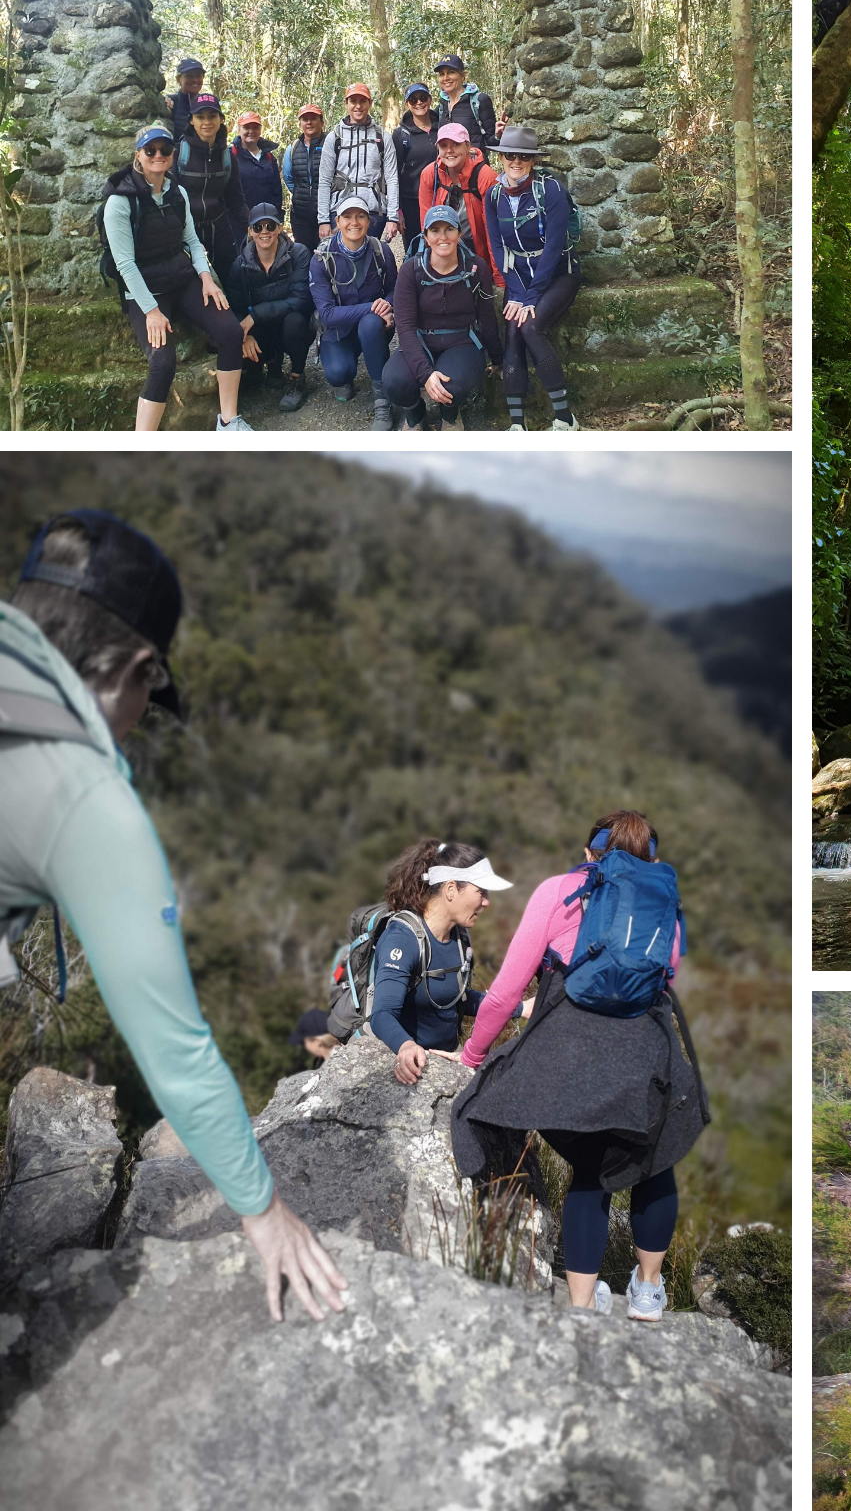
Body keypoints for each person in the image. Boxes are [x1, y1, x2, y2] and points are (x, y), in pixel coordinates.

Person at [0, 511, 346, 1321]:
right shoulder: (85, 796)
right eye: (148, 701)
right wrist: (263, 1211)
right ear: (139, 670)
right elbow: (179, 1053)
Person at [451, 810, 705, 1322]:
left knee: (591, 1170)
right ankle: (649, 1292)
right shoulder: (662, 897)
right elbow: (668, 970)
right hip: (643, 1043)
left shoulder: (558, 890)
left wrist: (472, 1056)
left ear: (592, 852)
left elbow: (505, 993)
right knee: (656, 1163)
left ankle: (582, 1307)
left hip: (569, 1044)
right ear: (649, 857)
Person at [100, 124, 250, 432]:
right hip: (145, 291)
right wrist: (151, 312)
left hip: (182, 280)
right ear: (138, 156)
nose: (158, 155)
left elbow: (193, 242)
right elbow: (125, 264)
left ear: (172, 155)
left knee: (231, 333)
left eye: (165, 150)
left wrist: (207, 278)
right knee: (162, 362)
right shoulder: (120, 201)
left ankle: (229, 421)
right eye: (150, 150)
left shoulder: (177, 192)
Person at [360, 840, 522, 1087]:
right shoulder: (402, 939)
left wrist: (519, 1007)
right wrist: (405, 1046)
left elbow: (458, 997)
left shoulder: (458, 937)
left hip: (448, 1060)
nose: (487, 902)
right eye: (481, 892)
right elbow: (382, 1014)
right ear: (450, 889)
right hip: (411, 1063)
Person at [487, 126, 581, 431]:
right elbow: (497, 246)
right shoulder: (494, 195)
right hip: (519, 278)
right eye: (510, 155)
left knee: (530, 327)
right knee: (512, 331)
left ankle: (565, 419)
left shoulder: (550, 189)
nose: (516, 161)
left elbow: (554, 247)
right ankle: (518, 424)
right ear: (501, 158)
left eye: (523, 157)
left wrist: (531, 296)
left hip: (557, 274)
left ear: (532, 160)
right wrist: (515, 290)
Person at [382, 206, 502, 430]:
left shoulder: (476, 268)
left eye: (449, 229)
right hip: (421, 339)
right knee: (395, 382)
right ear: (426, 237)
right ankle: (415, 415)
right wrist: (426, 374)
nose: (443, 237)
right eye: (435, 230)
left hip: (461, 341)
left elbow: (486, 317)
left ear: (459, 234)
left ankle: (449, 415)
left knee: (453, 384)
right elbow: (405, 327)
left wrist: (497, 358)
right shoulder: (411, 270)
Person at [309, 194, 398, 425]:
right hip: (337, 330)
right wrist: (373, 306)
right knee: (338, 374)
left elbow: (394, 290)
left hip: (374, 328)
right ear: (337, 222)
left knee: (370, 323)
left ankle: (382, 400)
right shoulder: (322, 258)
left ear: (369, 222)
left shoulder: (381, 251)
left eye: (360, 216)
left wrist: (387, 305)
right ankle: (344, 363)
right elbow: (327, 313)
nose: (354, 223)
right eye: (347, 217)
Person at [227, 202, 314, 412]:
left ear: (279, 228)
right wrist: (244, 335)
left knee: (295, 321)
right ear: (250, 231)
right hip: (262, 329)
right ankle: (272, 364)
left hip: (293, 324)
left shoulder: (298, 254)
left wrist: (256, 314)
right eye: (258, 227)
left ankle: (297, 377)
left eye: (270, 226)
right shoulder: (240, 266)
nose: (264, 232)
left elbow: (301, 300)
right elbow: (236, 307)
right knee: (238, 347)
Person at [174, 93, 250, 270]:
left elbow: (236, 202)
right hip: (185, 232)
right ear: (192, 120)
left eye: (212, 116)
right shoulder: (178, 155)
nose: (206, 122)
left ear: (221, 119)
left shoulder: (228, 158)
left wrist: (255, 226)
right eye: (200, 117)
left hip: (218, 230)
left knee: (232, 280)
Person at [317, 84, 400, 246]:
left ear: (370, 103)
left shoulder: (382, 137)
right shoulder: (334, 137)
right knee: (341, 262)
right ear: (346, 103)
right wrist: (323, 220)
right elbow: (325, 180)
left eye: (363, 101)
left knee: (370, 261)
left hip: (373, 210)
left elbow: (392, 178)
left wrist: (392, 217)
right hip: (340, 210)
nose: (358, 106)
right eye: (353, 101)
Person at [418, 124, 498, 276]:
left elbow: (493, 232)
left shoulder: (485, 177)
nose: (449, 150)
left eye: (456, 144)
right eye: (443, 145)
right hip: (442, 246)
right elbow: (426, 223)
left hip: (476, 250)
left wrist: (496, 276)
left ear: (468, 146)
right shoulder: (430, 174)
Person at [393, 83, 440, 243]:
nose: (419, 103)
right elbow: (394, 173)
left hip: (441, 197)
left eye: (423, 98)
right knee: (415, 250)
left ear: (430, 100)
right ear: (407, 104)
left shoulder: (442, 128)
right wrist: (398, 211)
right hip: (412, 202)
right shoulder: (401, 135)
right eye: (413, 100)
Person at [282, 105, 327, 248]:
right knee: (303, 253)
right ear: (300, 123)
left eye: (313, 118)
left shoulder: (331, 144)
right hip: (301, 216)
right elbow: (288, 177)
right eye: (305, 119)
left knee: (327, 256)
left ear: (321, 122)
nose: (309, 123)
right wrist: (301, 193)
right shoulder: (293, 147)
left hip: (326, 215)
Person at [433, 54, 498, 153]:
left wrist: (498, 136)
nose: (445, 78)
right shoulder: (442, 106)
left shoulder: (479, 101)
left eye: (451, 72)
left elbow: (491, 142)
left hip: (474, 165)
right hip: (449, 166)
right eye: (442, 74)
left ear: (462, 76)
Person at [231, 112, 283, 223]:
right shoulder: (231, 156)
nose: (251, 131)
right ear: (239, 130)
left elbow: (276, 190)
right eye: (246, 127)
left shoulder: (268, 157)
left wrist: (277, 216)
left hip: (266, 221)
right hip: (238, 222)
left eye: (255, 128)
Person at [168, 57, 206, 140]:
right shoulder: (170, 102)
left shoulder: (206, 104)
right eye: (189, 76)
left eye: (198, 76)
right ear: (178, 79)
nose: (195, 80)